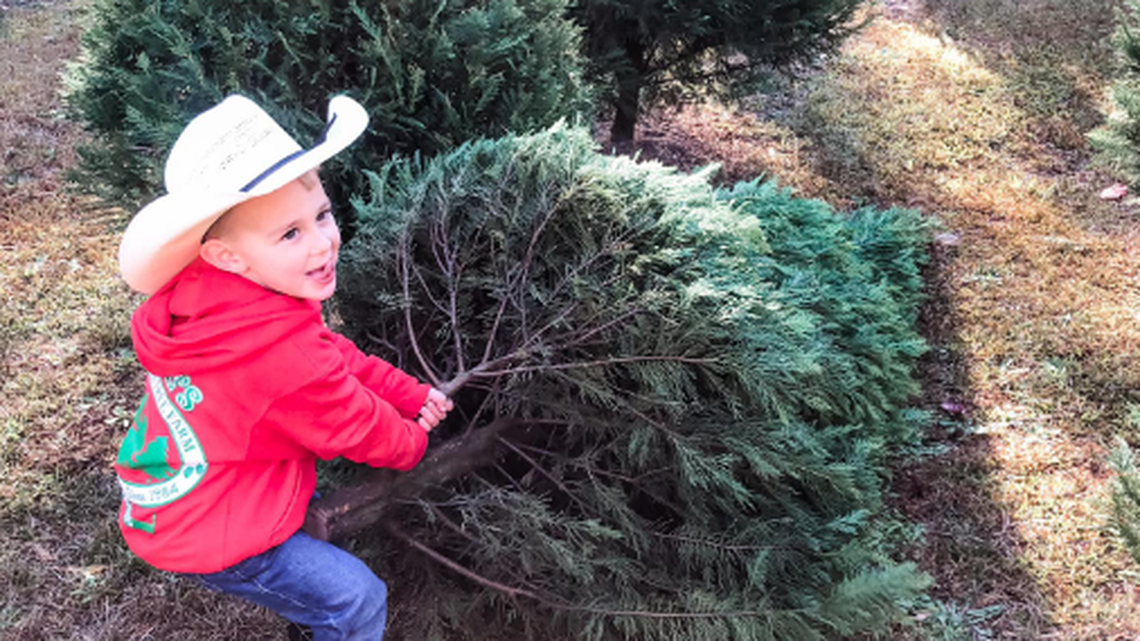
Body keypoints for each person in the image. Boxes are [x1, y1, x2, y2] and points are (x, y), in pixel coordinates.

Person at [113, 94, 452, 640]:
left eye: (320, 215)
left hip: (176, 501)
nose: (323, 243)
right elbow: (355, 423)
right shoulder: (277, 351)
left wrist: (408, 393)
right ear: (228, 255)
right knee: (356, 600)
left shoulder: (217, 299)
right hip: (211, 531)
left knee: (318, 560)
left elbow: (329, 356)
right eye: (290, 234)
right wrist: (412, 443)